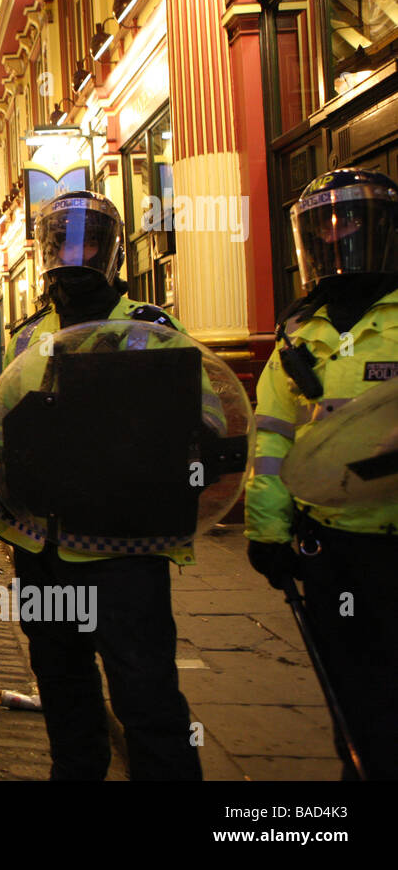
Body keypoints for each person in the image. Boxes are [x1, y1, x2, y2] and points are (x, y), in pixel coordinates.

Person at [0, 189, 203, 780]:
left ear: (113, 251)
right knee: (61, 678)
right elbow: (3, 425)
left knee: (143, 687)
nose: (72, 253)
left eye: (90, 239)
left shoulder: (149, 327)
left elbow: (197, 424)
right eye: (59, 240)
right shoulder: (28, 336)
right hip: (40, 544)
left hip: (121, 546)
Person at [245, 168, 398, 780]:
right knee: (350, 682)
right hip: (330, 543)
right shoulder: (297, 335)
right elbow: (273, 441)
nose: (338, 241)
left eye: (353, 224)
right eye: (324, 231)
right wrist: (267, 533)